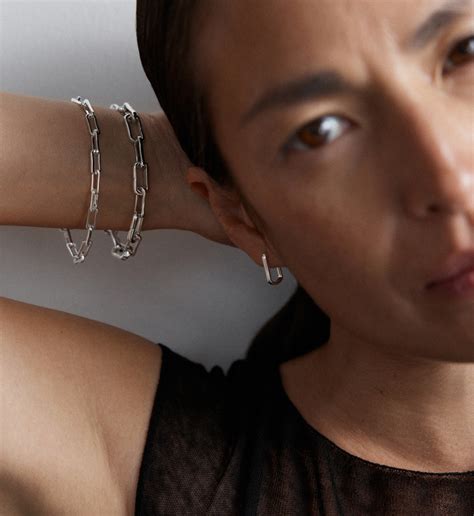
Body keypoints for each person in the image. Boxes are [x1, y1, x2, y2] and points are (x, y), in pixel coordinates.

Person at [1, 0, 473, 514]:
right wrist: (159, 166)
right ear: (243, 221)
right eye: (318, 131)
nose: (451, 182)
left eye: (465, 52)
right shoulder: (186, 472)